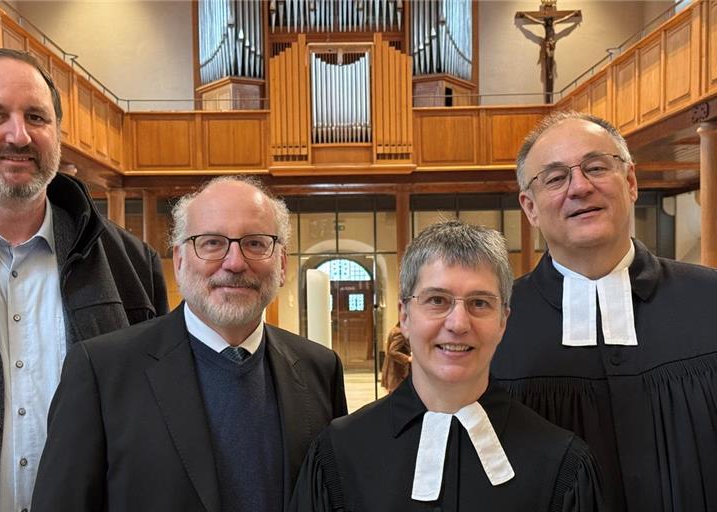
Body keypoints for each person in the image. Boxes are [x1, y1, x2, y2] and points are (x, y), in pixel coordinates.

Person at [31, 176, 348, 512]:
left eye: (255, 243)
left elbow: (337, 497)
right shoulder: (101, 371)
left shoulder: (319, 369)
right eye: (211, 243)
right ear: (180, 260)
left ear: (282, 263)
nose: (235, 262)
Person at [0, 49, 168, 512]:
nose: (19, 135)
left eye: (36, 117)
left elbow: (156, 420)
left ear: (58, 135)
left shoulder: (132, 264)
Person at [291, 221, 606, 511]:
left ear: (503, 321)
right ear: (404, 316)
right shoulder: (340, 452)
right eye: (437, 300)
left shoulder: (560, 462)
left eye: (479, 303)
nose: (458, 323)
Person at [491, 111, 717, 512]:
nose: (579, 187)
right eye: (556, 178)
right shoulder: (494, 324)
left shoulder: (710, 298)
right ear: (530, 207)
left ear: (630, 182)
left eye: (596, 167)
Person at [381, 323, 411, 392]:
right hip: (398, 373)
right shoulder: (400, 333)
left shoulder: (395, 330)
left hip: (394, 371)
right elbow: (393, 351)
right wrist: (408, 358)